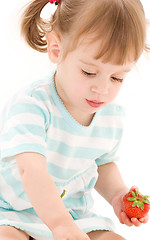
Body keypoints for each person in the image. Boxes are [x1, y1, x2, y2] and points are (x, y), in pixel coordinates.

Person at [0, 0, 149, 239]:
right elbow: (31, 170)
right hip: (15, 211)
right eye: (89, 72)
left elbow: (103, 163)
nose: (102, 89)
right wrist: (59, 225)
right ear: (56, 49)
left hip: (74, 215)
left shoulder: (110, 117)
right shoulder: (31, 106)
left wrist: (117, 195)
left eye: (117, 78)